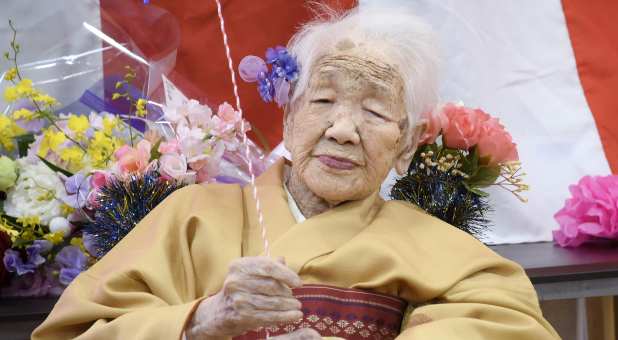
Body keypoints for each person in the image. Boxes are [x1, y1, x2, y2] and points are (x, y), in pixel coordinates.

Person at [33, 5, 559, 340]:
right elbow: (78, 333)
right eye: (324, 99)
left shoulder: (448, 254)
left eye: (375, 112)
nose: (343, 129)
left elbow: (509, 328)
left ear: (407, 145)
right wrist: (201, 322)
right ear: (289, 115)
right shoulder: (188, 218)